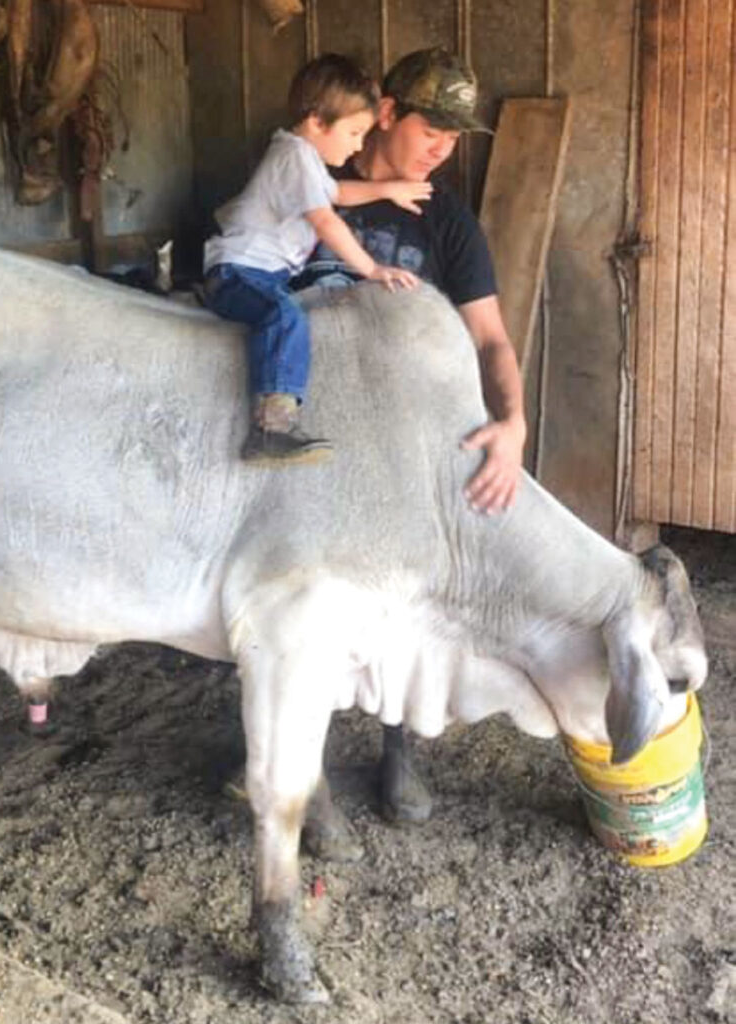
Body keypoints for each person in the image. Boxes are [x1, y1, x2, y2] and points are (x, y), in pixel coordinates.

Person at [296, 48, 527, 826]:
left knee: (406, 595)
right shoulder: (302, 180)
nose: (443, 149)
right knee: (297, 601)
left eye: (458, 137)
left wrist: (513, 424)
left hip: (401, 441)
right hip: (304, 430)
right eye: (434, 128)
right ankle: (302, 764)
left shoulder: (447, 221)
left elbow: (490, 339)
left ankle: (398, 749)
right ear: (386, 113)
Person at [202, 53, 430, 466]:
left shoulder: (304, 158)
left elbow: (338, 195)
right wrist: (372, 269)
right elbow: (326, 220)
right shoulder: (294, 156)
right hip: (237, 273)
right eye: (355, 133)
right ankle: (271, 429)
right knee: (285, 316)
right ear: (316, 123)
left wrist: (390, 189)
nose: (360, 144)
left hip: (258, 274)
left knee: (287, 310)